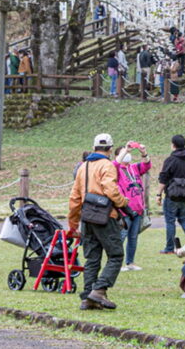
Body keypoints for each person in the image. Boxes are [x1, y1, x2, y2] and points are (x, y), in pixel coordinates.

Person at [68, 133, 129, 310]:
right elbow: (111, 190)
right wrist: (123, 202)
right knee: (116, 255)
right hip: (105, 216)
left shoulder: (83, 167)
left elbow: (74, 197)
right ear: (110, 149)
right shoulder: (107, 165)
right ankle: (100, 290)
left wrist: (73, 222)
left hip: (87, 217)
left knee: (92, 258)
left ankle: (88, 298)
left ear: (94, 147)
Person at [113, 142, 151, 272]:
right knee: (121, 236)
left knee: (133, 237)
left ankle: (130, 262)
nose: (128, 156)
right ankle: (115, 263)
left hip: (138, 209)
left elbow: (146, 165)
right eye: (125, 154)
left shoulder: (133, 168)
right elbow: (114, 164)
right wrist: (125, 150)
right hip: (125, 210)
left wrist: (143, 152)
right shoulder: (116, 169)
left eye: (129, 154)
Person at [156, 134, 185, 254]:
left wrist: (158, 194)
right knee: (184, 218)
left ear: (173, 145)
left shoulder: (171, 159)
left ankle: (169, 247)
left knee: (170, 221)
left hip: (173, 194)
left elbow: (163, 178)